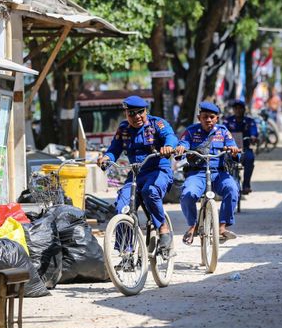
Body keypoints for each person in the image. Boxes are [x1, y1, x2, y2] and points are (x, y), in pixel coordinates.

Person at [97, 96, 177, 250]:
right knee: (122, 207)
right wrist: (106, 158)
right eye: (132, 113)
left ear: (146, 110)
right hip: (136, 174)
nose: (137, 116)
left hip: (158, 170)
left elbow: (170, 136)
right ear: (126, 114)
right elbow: (114, 149)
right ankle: (125, 252)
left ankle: (163, 228)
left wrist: (168, 146)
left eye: (140, 112)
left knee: (150, 191)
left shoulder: (157, 124)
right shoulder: (124, 128)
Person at [176, 102, 241, 245]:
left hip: (219, 174)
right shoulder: (191, 131)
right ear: (199, 117)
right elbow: (184, 143)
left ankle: (222, 227)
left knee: (232, 189)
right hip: (197, 174)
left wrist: (233, 151)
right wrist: (181, 147)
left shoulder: (223, 132)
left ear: (217, 118)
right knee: (187, 195)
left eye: (212, 117)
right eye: (205, 117)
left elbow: (234, 149)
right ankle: (192, 226)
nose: (208, 120)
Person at [223, 100, 258, 194]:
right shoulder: (227, 121)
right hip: (230, 150)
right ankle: (225, 184)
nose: (238, 110)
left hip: (244, 149)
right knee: (223, 160)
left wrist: (254, 137)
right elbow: (222, 132)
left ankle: (246, 185)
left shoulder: (250, 121)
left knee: (250, 158)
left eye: (240, 108)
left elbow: (254, 132)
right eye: (236, 108)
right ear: (233, 109)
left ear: (244, 109)